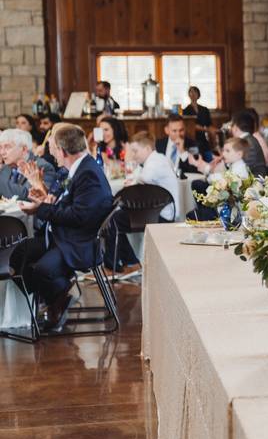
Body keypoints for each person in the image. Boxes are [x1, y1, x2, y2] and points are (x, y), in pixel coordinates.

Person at [13, 124, 113, 331]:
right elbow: (70, 205)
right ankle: (57, 297)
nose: (52, 154)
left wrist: (42, 209)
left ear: (62, 150)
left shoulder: (89, 173)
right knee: (18, 255)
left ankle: (55, 300)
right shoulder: (80, 168)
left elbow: (79, 216)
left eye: (53, 149)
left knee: (42, 270)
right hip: (63, 235)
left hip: (78, 242)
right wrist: (47, 201)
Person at [104, 131, 179, 271]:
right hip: (155, 212)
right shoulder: (157, 160)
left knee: (112, 220)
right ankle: (130, 262)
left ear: (147, 149)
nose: (133, 154)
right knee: (114, 219)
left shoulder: (155, 163)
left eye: (135, 151)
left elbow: (144, 180)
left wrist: (133, 183)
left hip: (159, 216)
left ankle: (113, 266)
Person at [0, 128, 57, 199]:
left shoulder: (42, 167)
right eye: (0, 147)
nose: (2, 152)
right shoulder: (5, 168)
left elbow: (29, 196)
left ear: (24, 149)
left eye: (7, 147)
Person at [228, 110, 267, 176]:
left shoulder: (248, 143)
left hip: (255, 182)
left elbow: (242, 167)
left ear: (235, 127)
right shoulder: (247, 139)